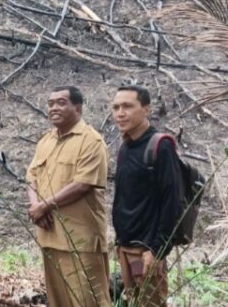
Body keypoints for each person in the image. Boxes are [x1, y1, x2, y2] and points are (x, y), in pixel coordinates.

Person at [26, 86, 111, 307]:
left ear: (78, 108)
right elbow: (31, 175)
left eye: (61, 102)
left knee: (87, 300)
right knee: (58, 300)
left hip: (80, 238)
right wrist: (36, 206)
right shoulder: (46, 140)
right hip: (50, 234)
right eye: (51, 103)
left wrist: (43, 206)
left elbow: (83, 184)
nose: (54, 107)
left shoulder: (91, 141)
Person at [112, 85, 181, 307]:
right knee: (133, 301)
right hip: (125, 247)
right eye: (116, 107)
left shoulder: (160, 146)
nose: (120, 113)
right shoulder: (126, 147)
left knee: (150, 303)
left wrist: (157, 249)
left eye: (128, 106)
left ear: (147, 109)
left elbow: (172, 200)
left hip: (144, 251)